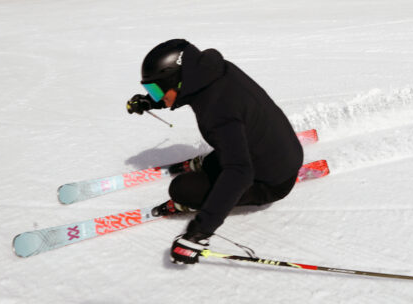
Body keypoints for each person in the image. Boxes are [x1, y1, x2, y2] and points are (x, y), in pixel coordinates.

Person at [126, 39, 303, 265]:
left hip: (270, 181)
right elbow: (185, 92)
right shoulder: (213, 74)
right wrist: (151, 102)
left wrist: (198, 233)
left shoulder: (218, 110)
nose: (156, 95)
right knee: (218, 161)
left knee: (182, 189)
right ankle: (212, 163)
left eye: (155, 89)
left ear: (176, 81)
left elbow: (240, 172)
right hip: (278, 150)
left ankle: (201, 186)